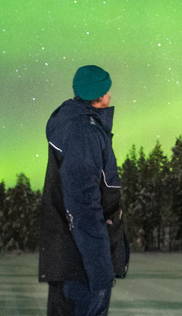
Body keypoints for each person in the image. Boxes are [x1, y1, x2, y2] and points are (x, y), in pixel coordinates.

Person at [39, 65, 127, 316]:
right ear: (98, 95)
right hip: (82, 265)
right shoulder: (84, 132)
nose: (110, 96)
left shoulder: (75, 125)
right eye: (107, 90)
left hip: (70, 260)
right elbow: (83, 204)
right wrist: (99, 268)